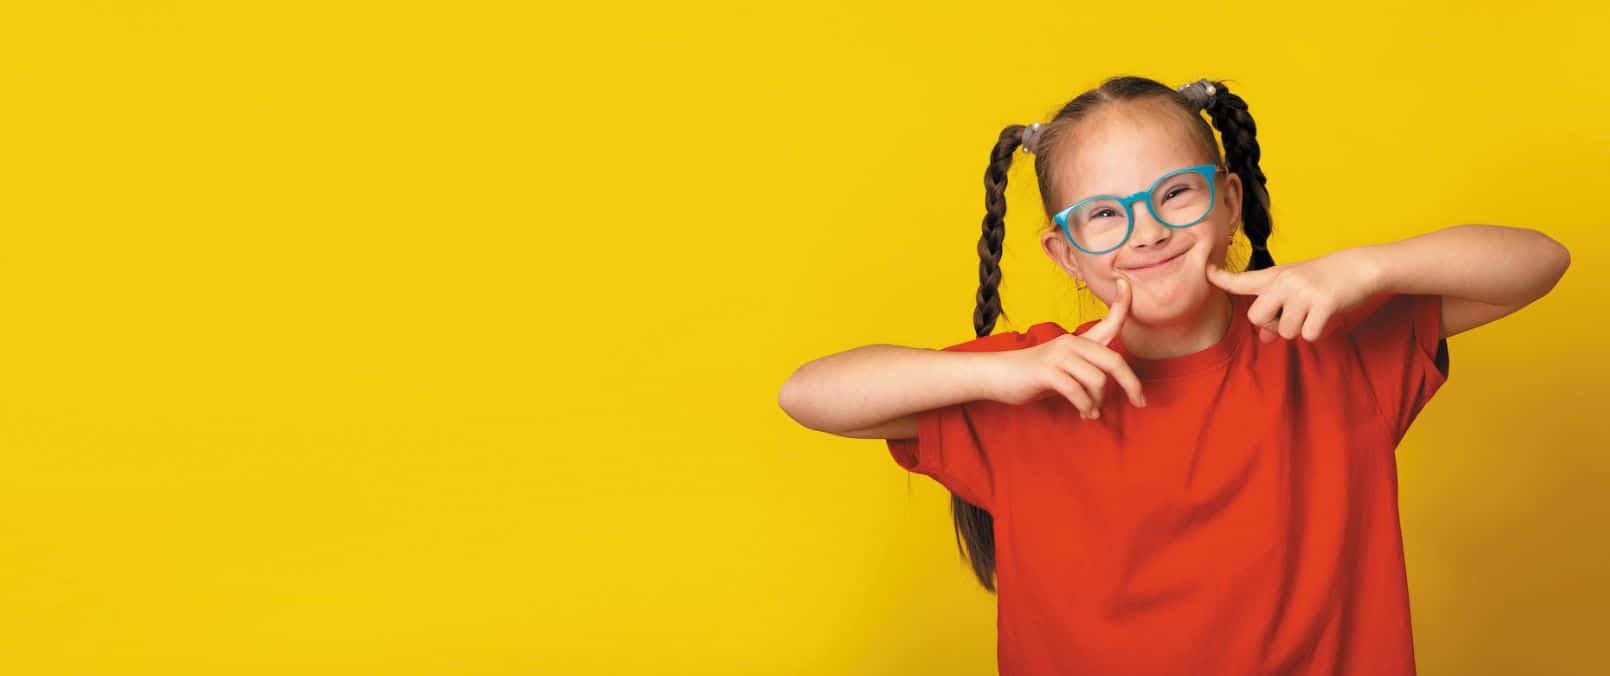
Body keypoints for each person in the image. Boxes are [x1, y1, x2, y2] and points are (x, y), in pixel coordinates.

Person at [776, 75, 1571, 674]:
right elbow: (809, 394)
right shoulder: (1038, 378)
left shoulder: (1327, 346)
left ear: (1229, 205)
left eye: (1176, 195)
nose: (1148, 231)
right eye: (1106, 213)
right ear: (1067, 254)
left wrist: (1367, 268)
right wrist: (999, 376)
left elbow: (1538, 261)